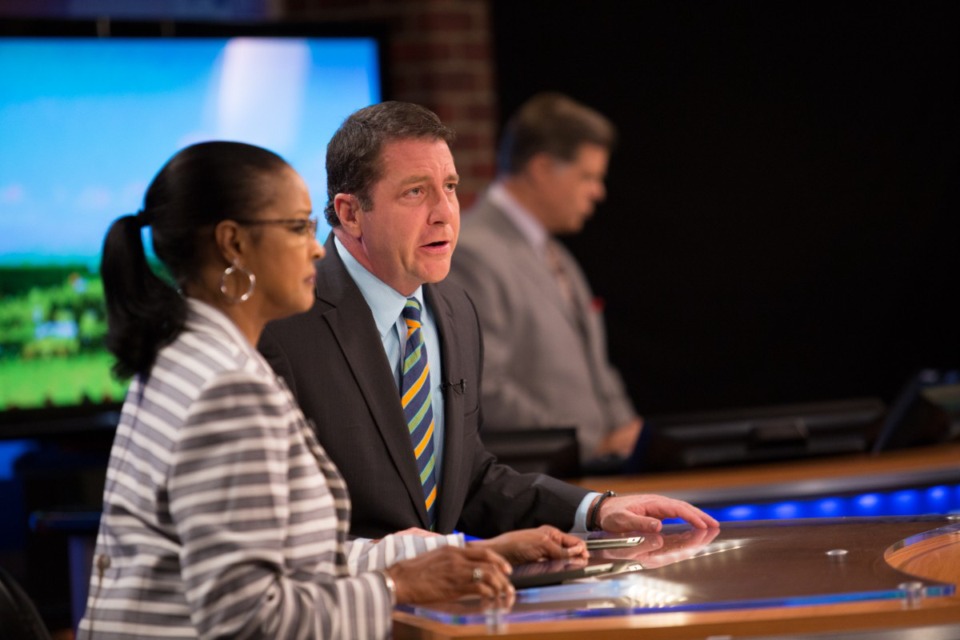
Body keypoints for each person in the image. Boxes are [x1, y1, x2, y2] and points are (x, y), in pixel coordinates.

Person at [77, 141, 591, 640]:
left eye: (451, 187)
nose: (315, 245)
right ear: (233, 243)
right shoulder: (229, 390)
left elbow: (291, 560)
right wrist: (394, 587)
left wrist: (471, 553)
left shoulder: (190, 358)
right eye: (298, 227)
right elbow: (250, 619)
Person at [258, 101, 718, 540]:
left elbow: (468, 479)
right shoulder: (281, 321)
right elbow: (277, 522)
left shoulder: (455, 309)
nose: (444, 213)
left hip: (445, 609)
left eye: (451, 188)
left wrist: (594, 510)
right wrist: (422, 558)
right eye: (416, 192)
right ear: (350, 213)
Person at [446, 92, 640, 468]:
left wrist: (633, 437)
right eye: (588, 176)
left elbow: (598, 370)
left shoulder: (558, 254)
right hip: (538, 486)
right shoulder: (471, 252)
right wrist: (591, 445)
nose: (598, 192)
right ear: (541, 168)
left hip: (595, 476)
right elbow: (483, 387)